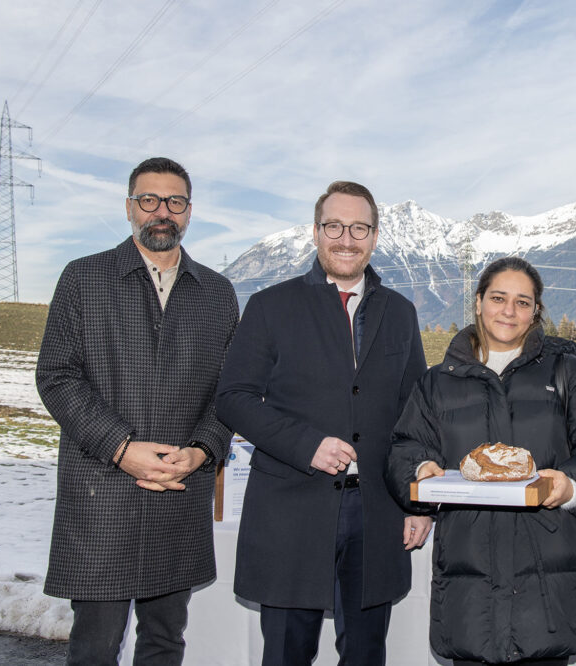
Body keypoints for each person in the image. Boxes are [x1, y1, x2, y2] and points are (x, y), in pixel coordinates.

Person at [215, 180, 431, 666]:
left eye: (359, 228)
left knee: (365, 655)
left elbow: (416, 415)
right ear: (315, 232)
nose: (346, 239)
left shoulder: (400, 312)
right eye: (334, 226)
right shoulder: (271, 306)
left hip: (377, 514)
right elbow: (233, 399)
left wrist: (418, 503)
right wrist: (306, 444)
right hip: (291, 512)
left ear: (374, 237)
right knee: (286, 654)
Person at [36, 157, 239, 665]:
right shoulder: (84, 278)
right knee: (95, 647)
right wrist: (121, 448)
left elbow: (231, 391)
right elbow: (57, 376)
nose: (162, 211)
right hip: (102, 491)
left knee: (165, 642)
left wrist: (202, 451)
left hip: (179, 491)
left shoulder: (217, 293)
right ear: (129, 207)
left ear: (189, 211)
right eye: (149, 199)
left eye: (175, 201)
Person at [385, 257, 576, 666]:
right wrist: (420, 469)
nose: (509, 311)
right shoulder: (437, 382)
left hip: (548, 589)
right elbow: (405, 445)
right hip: (469, 591)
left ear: (535, 311)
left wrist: (571, 486)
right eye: (498, 298)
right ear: (478, 301)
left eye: (523, 302)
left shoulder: (567, 374)